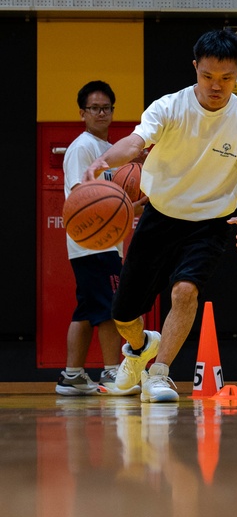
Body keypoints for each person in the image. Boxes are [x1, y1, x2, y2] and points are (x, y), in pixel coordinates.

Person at [84, 28, 237, 403]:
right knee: (123, 314)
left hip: (209, 224)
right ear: (195, 67)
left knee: (185, 291)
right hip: (160, 215)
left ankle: (159, 373)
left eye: (226, 77)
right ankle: (139, 347)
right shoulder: (169, 107)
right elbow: (135, 143)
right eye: (207, 76)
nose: (216, 85)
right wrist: (104, 161)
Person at [56, 81, 140, 396]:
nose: (101, 113)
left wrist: (130, 207)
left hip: (104, 242)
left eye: (106, 108)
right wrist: (121, 207)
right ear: (82, 113)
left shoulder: (110, 150)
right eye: (94, 108)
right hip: (91, 242)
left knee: (87, 309)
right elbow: (83, 196)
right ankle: (111, 372)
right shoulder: (83, 147)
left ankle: (72, 376)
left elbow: (110, 200)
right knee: (109, 308)